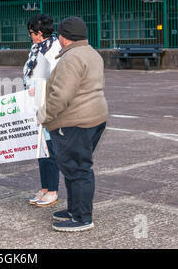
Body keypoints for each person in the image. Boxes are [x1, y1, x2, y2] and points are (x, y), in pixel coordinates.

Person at [37, 16, 108, 232]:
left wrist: (44, 115)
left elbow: (61, 95)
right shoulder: (91, 53)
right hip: (95, 117)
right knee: (72, 168)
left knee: (78, 169)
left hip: (75, 121)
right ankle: (73, 209)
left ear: (64, 38)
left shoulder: (70, 58)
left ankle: (82, 218)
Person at [24, 14, 62, 208]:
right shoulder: (37, 47)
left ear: (39, 33)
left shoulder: (55, 50)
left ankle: (53, 189)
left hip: (47, 105)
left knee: (50, 149)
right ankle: (45, 188)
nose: (30, 36)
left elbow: (56, 79)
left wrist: (39, 89)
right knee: (40, 148)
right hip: (34, 103)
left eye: (31, 33)